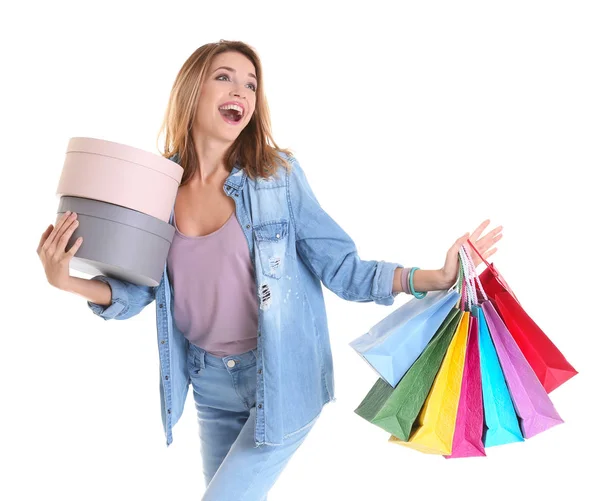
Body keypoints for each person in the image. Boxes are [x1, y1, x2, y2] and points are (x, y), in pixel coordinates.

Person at [36, 40, 502, 500]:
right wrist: (68, 281)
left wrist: (432, 278)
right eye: (224, 77)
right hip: (208, 384)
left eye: (251, 84)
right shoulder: (159, 186)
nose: (241, 91)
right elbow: (144, 287)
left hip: (279, 378)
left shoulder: (276, 177)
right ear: (192, 90)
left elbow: (341, 267)